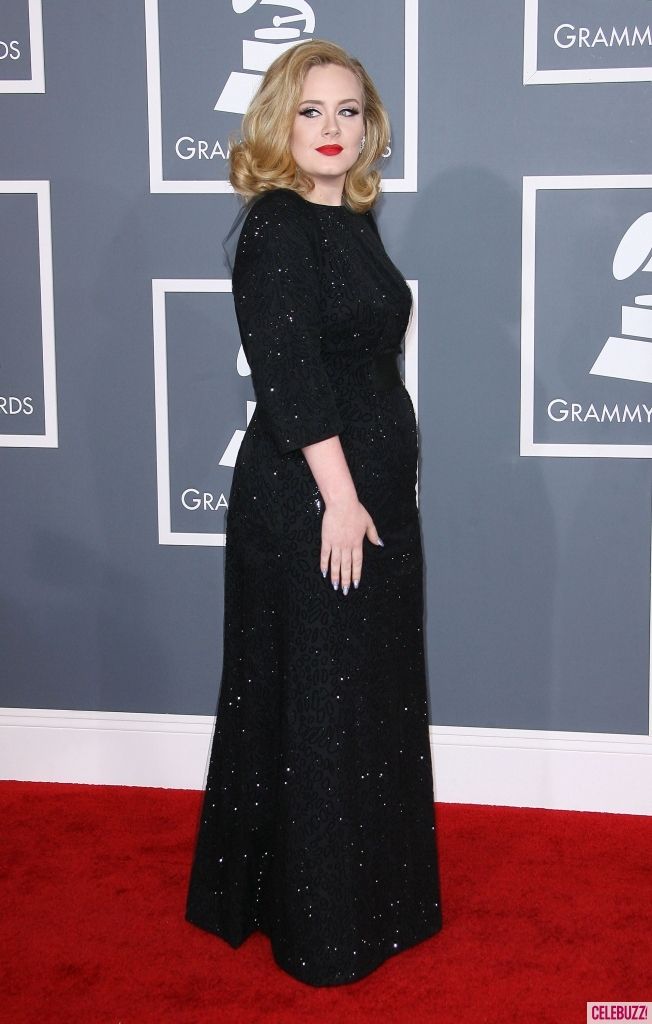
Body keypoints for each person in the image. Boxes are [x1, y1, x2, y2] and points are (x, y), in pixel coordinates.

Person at [185, 38, 443, 987]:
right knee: (322, 705)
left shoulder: (355, 221)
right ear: (277, 124)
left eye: (348, 112)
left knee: (365, 699)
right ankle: (320, 929)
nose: (332, 130)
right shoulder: (277, 226)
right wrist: (341, 496)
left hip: (374, 499)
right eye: (311, 111)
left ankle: (379, 902)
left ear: (369, 127)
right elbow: (291, 374)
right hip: (312, 503)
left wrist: (380, 487)